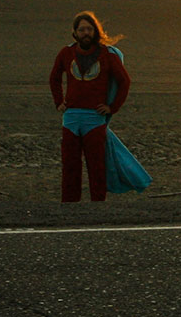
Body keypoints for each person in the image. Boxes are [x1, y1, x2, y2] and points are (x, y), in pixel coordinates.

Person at [48, 10, 132, 203]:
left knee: (97, 165)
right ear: (75, 32)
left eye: (89, 29)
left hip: (94, 119)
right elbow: (54, 78)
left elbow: (124, 81)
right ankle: (69, 205)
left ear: (95, 31)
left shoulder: (108, 55)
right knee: (70, 164)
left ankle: (97, 205)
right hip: (71, 119)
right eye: (81, 29)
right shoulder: (66, 53)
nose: (85, 33)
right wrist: (58, 102)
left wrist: (112, 107)